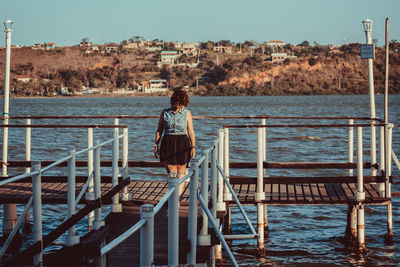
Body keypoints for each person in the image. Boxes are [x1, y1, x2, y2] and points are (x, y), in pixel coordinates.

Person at [154, 89, 196, 195]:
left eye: (180, 103)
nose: (177, 106)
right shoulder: (165, 113)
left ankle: (177, 197)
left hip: (183, 142)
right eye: (176, 103)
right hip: (168, 142)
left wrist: (193, 147)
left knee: (181, 172)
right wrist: (156, 144)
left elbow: (191, 131)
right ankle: (173, 195)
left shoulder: (187, 113)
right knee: (171, 172)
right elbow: (159, 129)